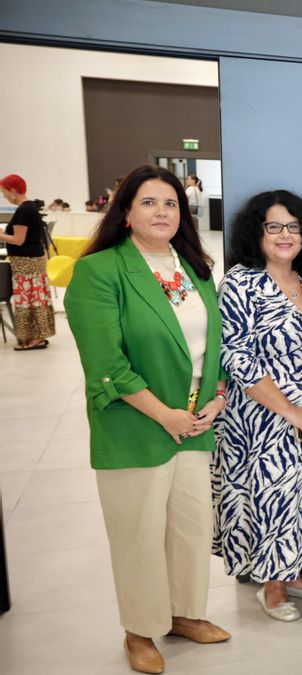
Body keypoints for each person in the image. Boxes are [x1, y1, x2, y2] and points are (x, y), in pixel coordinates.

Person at [64, 165, 229, 674]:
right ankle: (140, 628)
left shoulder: (194, 268)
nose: (162, 212)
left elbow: (212, 348)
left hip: (194, 424)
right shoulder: (101, 271)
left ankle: (182, 614)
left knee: (189, 528)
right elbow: (106, 365)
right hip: (137, 425)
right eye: (150, 203)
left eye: (171, 204)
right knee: (138, 532)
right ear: (126, 213)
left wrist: (215, 398)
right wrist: (166, 415)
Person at [213, 189, 302, 621]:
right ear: (257, 232)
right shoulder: (240, 282)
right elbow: (236, 356)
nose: (286, 235)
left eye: (294, 227)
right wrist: (288, 409)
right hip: (263, 415)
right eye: (275, 226)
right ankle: (272, 585)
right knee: (272, 497)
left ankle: (298, 573)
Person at [0, 174, 56, 350]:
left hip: (26, 262)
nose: (4, 196)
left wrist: (0, 235)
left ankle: (33, 337)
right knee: (36, 298)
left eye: (4, 192)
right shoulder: (29, 208)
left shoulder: (24, 210)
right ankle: (36, 335)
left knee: (28, 299)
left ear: (13, 191)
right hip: (31, 260)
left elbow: (18, 240)